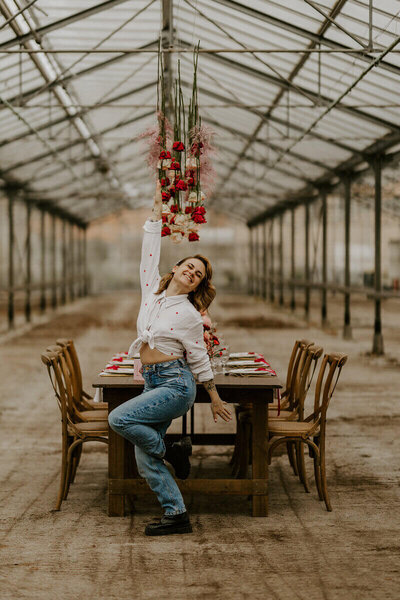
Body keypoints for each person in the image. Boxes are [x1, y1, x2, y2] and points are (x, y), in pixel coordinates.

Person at [108, 181, 231, 536]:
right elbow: (148, 252)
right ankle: (176, 514)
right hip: (153, 380)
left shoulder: (190, 314)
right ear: (177, 267)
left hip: (176, 385)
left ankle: (173, 449)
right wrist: (155, 213)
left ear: (197, 286)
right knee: (145, 459)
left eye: (198, 275)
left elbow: (198, 358)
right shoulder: (152, 292)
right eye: (189, 267)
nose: (191, 273)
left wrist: (214, 396)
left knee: (119, 418)